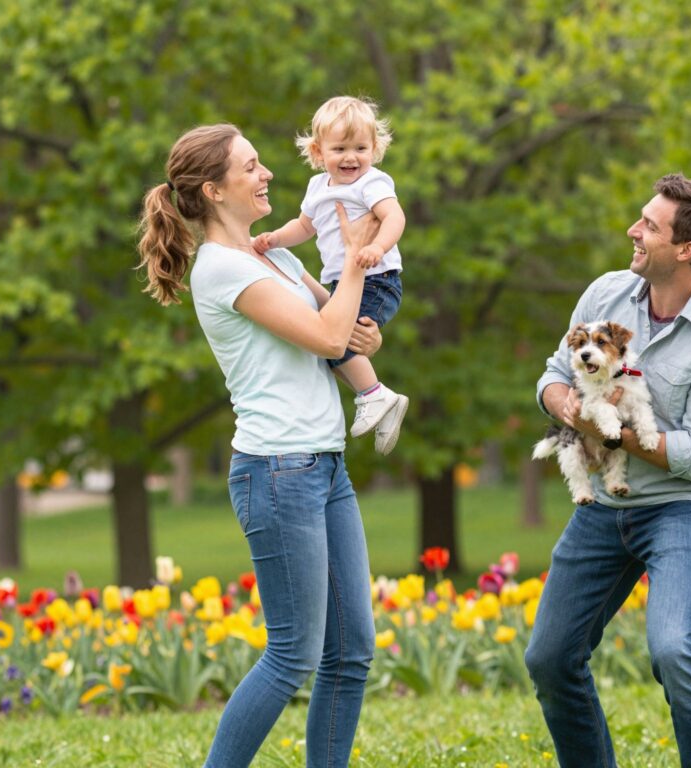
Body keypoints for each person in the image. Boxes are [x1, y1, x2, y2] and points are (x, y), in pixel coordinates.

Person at [137, 123, 382, 768]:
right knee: (293, 652)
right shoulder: (220, 270)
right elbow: (327, 339)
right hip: (278, 471)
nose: (268, 173)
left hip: (324, 465)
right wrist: (355, 261)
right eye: (252, 167)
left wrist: (365, 335)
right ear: (216, 190)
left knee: (351, 647)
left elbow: (342, 331)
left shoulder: (275, 256)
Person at [525, 173, 691, 768]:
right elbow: (553, 374)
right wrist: (567, 407)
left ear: (686, 250)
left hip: (682, 508)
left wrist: (612, 431)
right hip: (605, 505)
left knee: (676, 651)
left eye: (649, 226)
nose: (633, 230)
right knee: (549, 659)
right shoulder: (606, 292)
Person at [253, 96, 408, 455]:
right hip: (343, 283)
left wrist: (377, 248)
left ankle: (373, 394)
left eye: (361, 148)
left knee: (332, 339)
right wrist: (275, 238)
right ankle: (379, 400)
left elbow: (395, 217)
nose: (351, 157)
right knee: (328, 343)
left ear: (375, 149)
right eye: (340, 148)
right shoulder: (317, 187)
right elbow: (305, 225)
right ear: (318, 151)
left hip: (377, 278)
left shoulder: (371, 183)